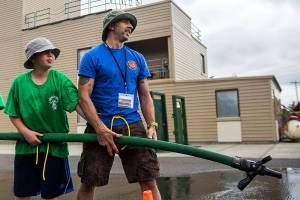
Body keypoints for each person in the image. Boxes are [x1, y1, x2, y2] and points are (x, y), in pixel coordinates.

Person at [77, 10, 161, 200]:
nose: (130, 26)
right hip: (101, 125)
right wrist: (99, 128)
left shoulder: (137, 58)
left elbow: (145, 94)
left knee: (148, 179)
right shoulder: (92, 56)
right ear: (112, 26)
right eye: (126, 22)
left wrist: (152, 125)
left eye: (132, 24)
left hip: (133, 124)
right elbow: (83, 96)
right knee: (90, 180)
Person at [4, 37, 83, 200]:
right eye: (45, 52)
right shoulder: (19, 83)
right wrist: (25, 132)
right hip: (27, 148)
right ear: (33, 57)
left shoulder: (59, 79)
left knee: (52, 195)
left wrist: (98, 123)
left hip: (54, 148)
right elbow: (13, 113)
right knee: (22, 194)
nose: (51, 55)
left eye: (52, 52)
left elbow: (78, 105)